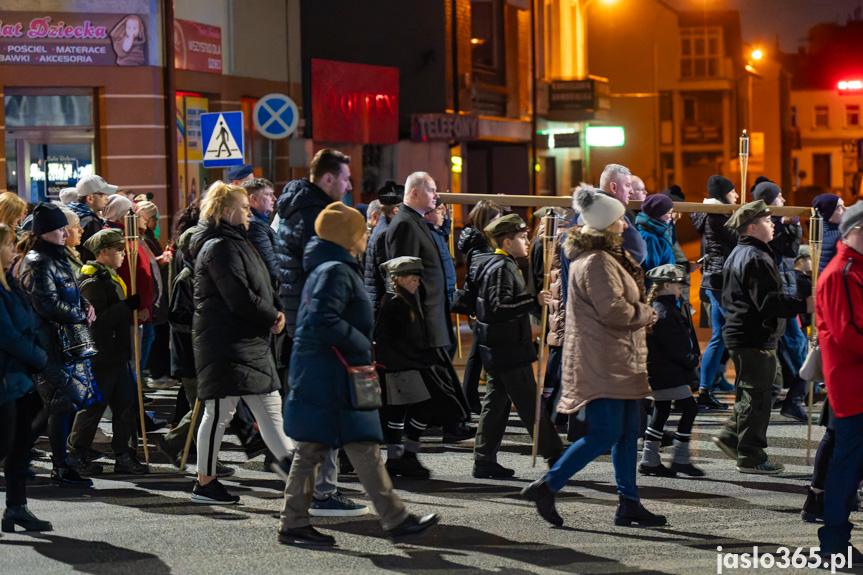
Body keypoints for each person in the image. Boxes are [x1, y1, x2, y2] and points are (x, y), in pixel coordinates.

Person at [279, 202, 439, 546]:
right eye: (359, 230)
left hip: (330, 374)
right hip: (335, 375)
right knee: (346, 447)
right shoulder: (335, 269)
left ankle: (298, 522)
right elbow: (323, 320)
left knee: (331, 448)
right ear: (346, 236)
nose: (366, 233)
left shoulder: (329, 267)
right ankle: (394, 521)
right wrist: (360, 346)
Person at [521, 186, 665, 528]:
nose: (625, 224)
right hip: (602, 359)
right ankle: (549, 484)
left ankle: (629, 502)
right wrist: (646, 313)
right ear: (604, 223)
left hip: (618, 356)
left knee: (629, 430)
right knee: (604, 433)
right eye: (619, 218)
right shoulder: (596, 261)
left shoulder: (606, 255)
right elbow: (613, 311)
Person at [189, 182, 295, 504]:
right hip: (228, 344)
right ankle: (205, 482)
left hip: (245, 343)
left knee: (268, 407)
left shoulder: (235, 241)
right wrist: (272, 315)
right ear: (225, 210)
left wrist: (275, 310)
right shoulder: (219, 246)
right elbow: (239, 296)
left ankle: (299, 478)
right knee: (221, 411)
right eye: (244, 207)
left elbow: (260, 283)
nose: (249, 212)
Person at [276, 149, 365, 516]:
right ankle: (319, 495)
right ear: (326, 178)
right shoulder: (317, 217)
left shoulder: (299, 209)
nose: (348, 186)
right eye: (344, 178)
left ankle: (313, 494)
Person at [711, 200, 813, 475]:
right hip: (753, 335)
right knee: (757, 397)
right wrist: (804, 305)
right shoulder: (754, 257)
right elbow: (768, 303)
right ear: (753, 226)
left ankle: (732, 436)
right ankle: (751, 456)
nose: (773, 225)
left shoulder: (746, 252)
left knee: (763, 388)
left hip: (749, 334)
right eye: (768, 221)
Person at [471, 214, 564, 478]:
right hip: (508, 347)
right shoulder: (502, 266)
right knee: (529, 403)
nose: (527, 241)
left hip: (499, 346)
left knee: (496, 402)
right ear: (507, 241)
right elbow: (497, 307)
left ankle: (484, 459)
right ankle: (555, 455)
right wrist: (534, 301)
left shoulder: (501, 263)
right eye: (522, 237)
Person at [386, 172, 472, 441]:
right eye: (432, 190)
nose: (437, 196)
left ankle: (448, 425)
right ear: (414, 193)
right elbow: (405, 278)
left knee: (435, 380)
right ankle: (445, 426)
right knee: (432, 381)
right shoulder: (405, 224)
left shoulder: (415, 222)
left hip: (432, 316)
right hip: (424, 319)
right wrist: (416, 318)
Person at [19, 202, 100, 487]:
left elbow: (71, 291)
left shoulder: (56, 257)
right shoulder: (37, 262)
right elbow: (47, 304)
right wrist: (80, 313)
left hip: (62, 342)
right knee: (59, 405)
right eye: (60, 228)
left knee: (59, 405)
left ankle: (19, 457)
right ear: (44, 233)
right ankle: (59, 466)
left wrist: (86, 304)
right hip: (48, 342)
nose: (66, 233)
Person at [67, 229, 147, 475]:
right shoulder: (92, 280)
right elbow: (97, 320)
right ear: (103, 252)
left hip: (117, 353)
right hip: (102, 355)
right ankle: (76, 455)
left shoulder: (109, 276)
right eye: (118, 250)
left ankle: (124, 455)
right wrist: (126, 307)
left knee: (126, 405)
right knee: (93, 407)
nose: (123, 254)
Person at [815, 202, 863, 559]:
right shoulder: (842, 272)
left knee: (848, 467)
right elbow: (850, 334)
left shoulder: (851, 269)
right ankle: (833, 544)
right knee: (846, 469)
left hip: (854, 384)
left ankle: (835, 541)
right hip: (852, 386)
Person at [0, 223, 52, 533]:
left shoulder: (10, 281)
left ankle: (16, 508)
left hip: (20, 376)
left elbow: (26, 325)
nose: (14, 250)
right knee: (5, 444)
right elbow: (6, 335)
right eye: (8, 244)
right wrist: (40, 357)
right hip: (6, 377)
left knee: (20, 443)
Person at [639, 264, 702, 477]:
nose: (681, 288)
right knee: (689, 409)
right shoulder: (664, 312)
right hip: (667, 372)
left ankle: (650, 459)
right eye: (678, 284)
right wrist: (691, 360)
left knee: (662, 410)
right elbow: (674, 346)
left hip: (661, 371)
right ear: (667, 284)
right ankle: (681, 459)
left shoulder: (663, 307)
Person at [752, 181, 807, 422]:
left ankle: (792, 394)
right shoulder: (771, 227)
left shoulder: (773, 224)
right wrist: (795, 228)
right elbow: (791, 251)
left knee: (790, 345)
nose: (784, 201)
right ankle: (796, 393)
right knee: (795, 345)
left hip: (785, 289)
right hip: (782, 293)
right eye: (780, 196)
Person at [375, 256, 435, 479]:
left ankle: (397, 458)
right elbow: (395, 338)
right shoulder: (393, 302)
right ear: (397, 279)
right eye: (413, 279)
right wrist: (418, 356)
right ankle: (405, 455)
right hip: (401, 365)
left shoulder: (404, 298)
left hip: (404, 363)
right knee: (422, 406)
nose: (417, 283)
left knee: (400, 411)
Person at [689, 175, 740, 409]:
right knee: (735, 334)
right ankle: (742, 388)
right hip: (721, 283)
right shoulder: (717, 219)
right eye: (733, 192)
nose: (736, 196)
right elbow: (740, 238)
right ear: (722, 195)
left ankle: (705, 390)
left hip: (714, 282)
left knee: (719, 338)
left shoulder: (715, 216)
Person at [455, 200, 501, 414]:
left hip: (478, 303)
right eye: (496, 217)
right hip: (480, 305)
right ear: (487, 220)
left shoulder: (477, 240)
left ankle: (469, 399)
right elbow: (475, 277)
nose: (499, 221)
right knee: (477, 354)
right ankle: (469, 399)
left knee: (476, 354)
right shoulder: (480, 244)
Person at [364, 180, 403, 312]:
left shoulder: (382, 228)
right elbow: (388, 275)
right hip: (382, 307)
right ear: (396, 210)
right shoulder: (386, 233)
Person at [596, 164, 646, 265]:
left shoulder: (585, 209)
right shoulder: (613, 212)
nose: (631, 191)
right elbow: (638, 253)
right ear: (613, 187)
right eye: (627, 185)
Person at [68, 175, 118, 263]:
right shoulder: (91, 222)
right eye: (103, 194)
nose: (107, 198)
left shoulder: (72, 215)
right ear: (90, 198)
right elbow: (93, 258)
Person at [243, 178, 279, 288]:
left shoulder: (260, 223)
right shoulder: (254, 227)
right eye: (268, 194)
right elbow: (270, 267)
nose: (274, 198)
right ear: (253, 199)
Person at [635, 194, 676, 284]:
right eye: (669, 212)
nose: (671, 217)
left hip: (666, 287)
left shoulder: (659, 231)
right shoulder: (650, 237)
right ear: (658, 214)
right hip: (660, 291)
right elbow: (651, 271)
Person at [423, 199, 456, 303]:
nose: (444, 212)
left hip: (445, 291)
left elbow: (445, 229)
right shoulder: (428, 233)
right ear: (427, 214)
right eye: (440, 209)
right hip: (439, 294)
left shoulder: (437, 232)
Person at [813, 193, 846, 272]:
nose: (845, 210)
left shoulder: (823, 229)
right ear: (829, 214)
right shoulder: (836, 236)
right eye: (839, 207)